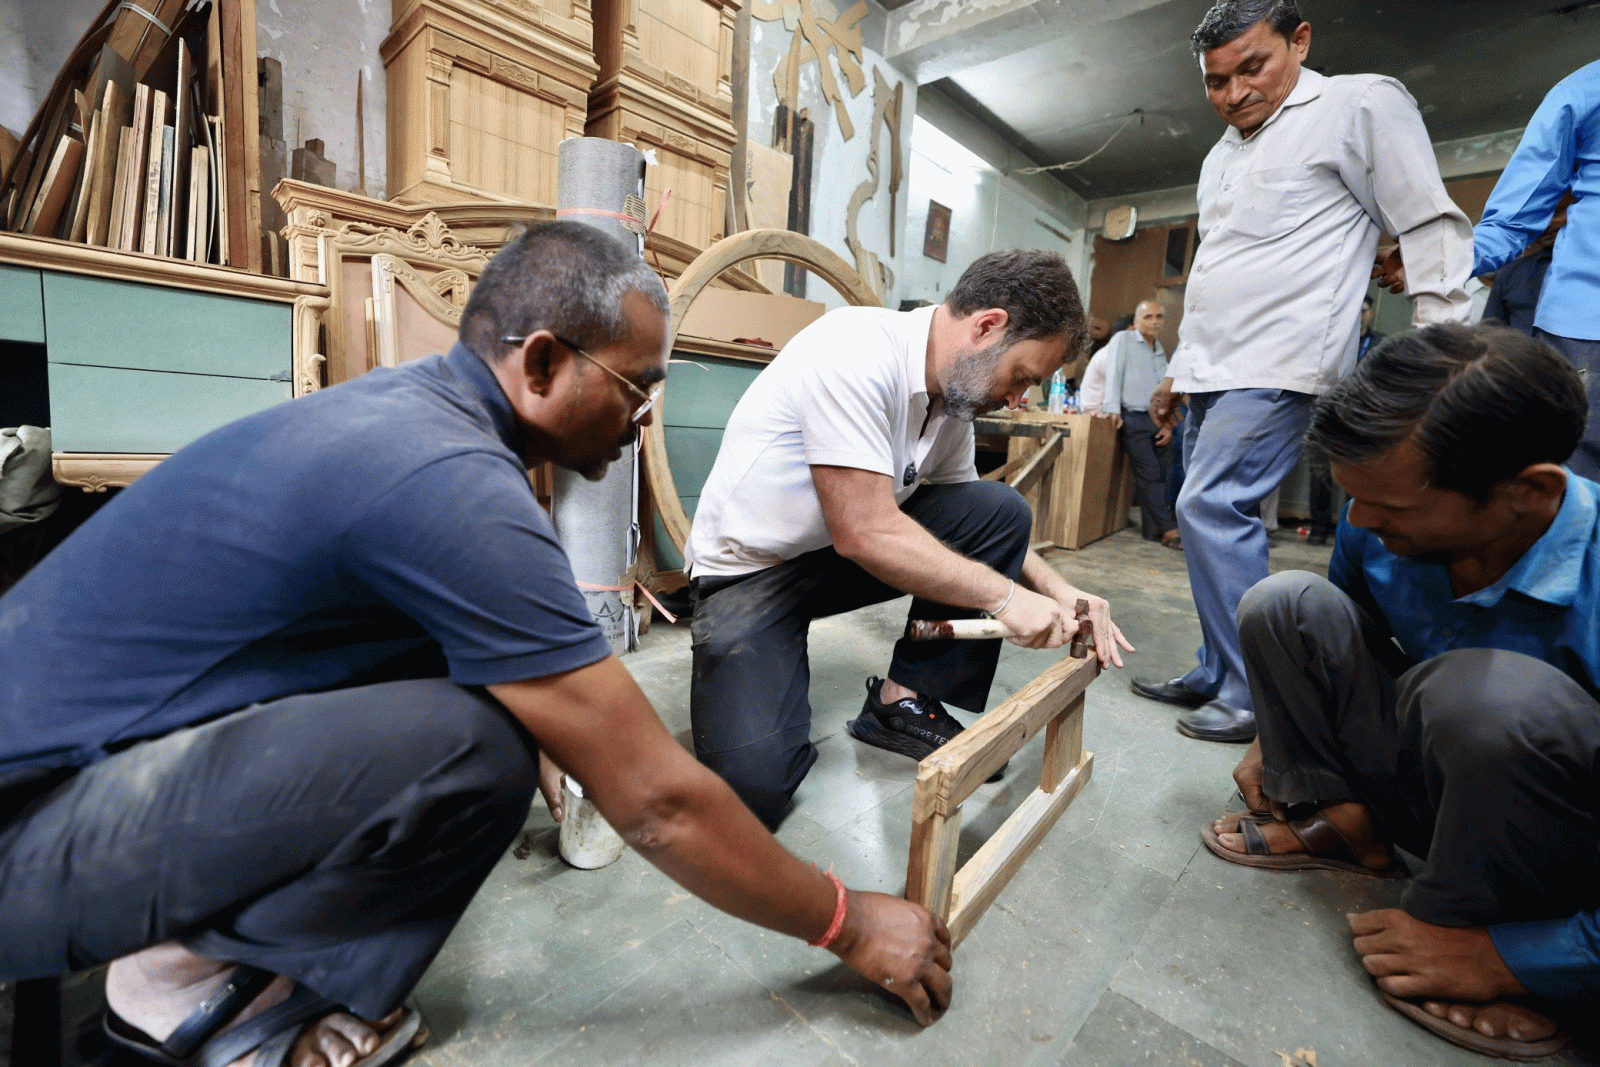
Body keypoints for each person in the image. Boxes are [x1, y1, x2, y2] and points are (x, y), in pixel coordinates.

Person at [0, 222, 958, 1067]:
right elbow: (658, 803)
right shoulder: (450, 480)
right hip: (23, 838)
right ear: (540, 364)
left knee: (489, 709)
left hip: (67, 775)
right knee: (474, 753)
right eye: (638, 384)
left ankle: (235, 965)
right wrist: (850, 920)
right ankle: (171, 989)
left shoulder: (415, 414)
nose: (645, 415)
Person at [1199, 323, 1597, 1060]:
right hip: (1446, 776)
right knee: (1285, 602)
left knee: (1487, 696)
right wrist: (1278, 739)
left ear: (1527, 491)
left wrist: (1521, 954)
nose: (1359, 523)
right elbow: (1336, 635)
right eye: (1354, 498)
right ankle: (1351, 826)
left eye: (1394, 508)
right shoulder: (1377, 519)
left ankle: (1476, 929)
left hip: (1562, 847)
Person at [685, 249, 1132, 830]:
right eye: (1021, 376)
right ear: (987, 326)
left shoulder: (954, 399)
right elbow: (865, 532)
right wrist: (1005, 599)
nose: (1020, 398)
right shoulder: (854, 351)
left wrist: (1060, 588)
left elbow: (976, 527)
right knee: (753, 794)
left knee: (998, 510)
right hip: (751, 577)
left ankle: (904, 701)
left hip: (832, 557)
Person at [1134, 0, 1474, 744]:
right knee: (1207, 520)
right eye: (1216, 82)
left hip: (1282, 359)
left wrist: (1435, 359)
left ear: (1300, 40)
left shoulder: (1360, 104)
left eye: (1251, 67)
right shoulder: (1220, 154)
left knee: (1208, 506)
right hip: (1212, 368)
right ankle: (1218, 663)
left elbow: (1428, 222)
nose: (1233, 95)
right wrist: (1177, 372)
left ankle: (1261, 690)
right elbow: (1215, 270)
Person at [1464, 59, 1600, 481]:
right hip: (1585, 330)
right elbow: (1511, 222)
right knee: (1574, 498)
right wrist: (1432, 259)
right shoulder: (1582, 92)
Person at [1097, 300, 1181, 549]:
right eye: (1148, 317)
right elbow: (1114, 373)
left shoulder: (1158, 349)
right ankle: (1169, 530)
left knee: (1160, 476)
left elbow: (1165, 390)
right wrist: (1111, 408)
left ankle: (1152, 530)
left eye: (1159, 317)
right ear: (1136, 320)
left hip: (1157, 421)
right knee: (1150, 476)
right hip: (1133, 418)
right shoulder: (1123, 339)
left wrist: (1167, 425)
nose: (1154, 321)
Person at [1302, 295, 1386, 544]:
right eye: (1356, 310)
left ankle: (1351, 533)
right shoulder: (1333, 342)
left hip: (1362, 421)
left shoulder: (1380, 343)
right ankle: (1319, 528)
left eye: (1364, 310)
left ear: (1370, 314)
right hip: (1327, 416)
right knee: (1320, 475)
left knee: (1356, 477)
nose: (1360, 315)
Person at [1482, 202, 1567, 336]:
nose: (1548, 223)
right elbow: (1489, 335)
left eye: (1555, 213)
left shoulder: (1592, 267)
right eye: (1538, 218)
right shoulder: (1512, 272)